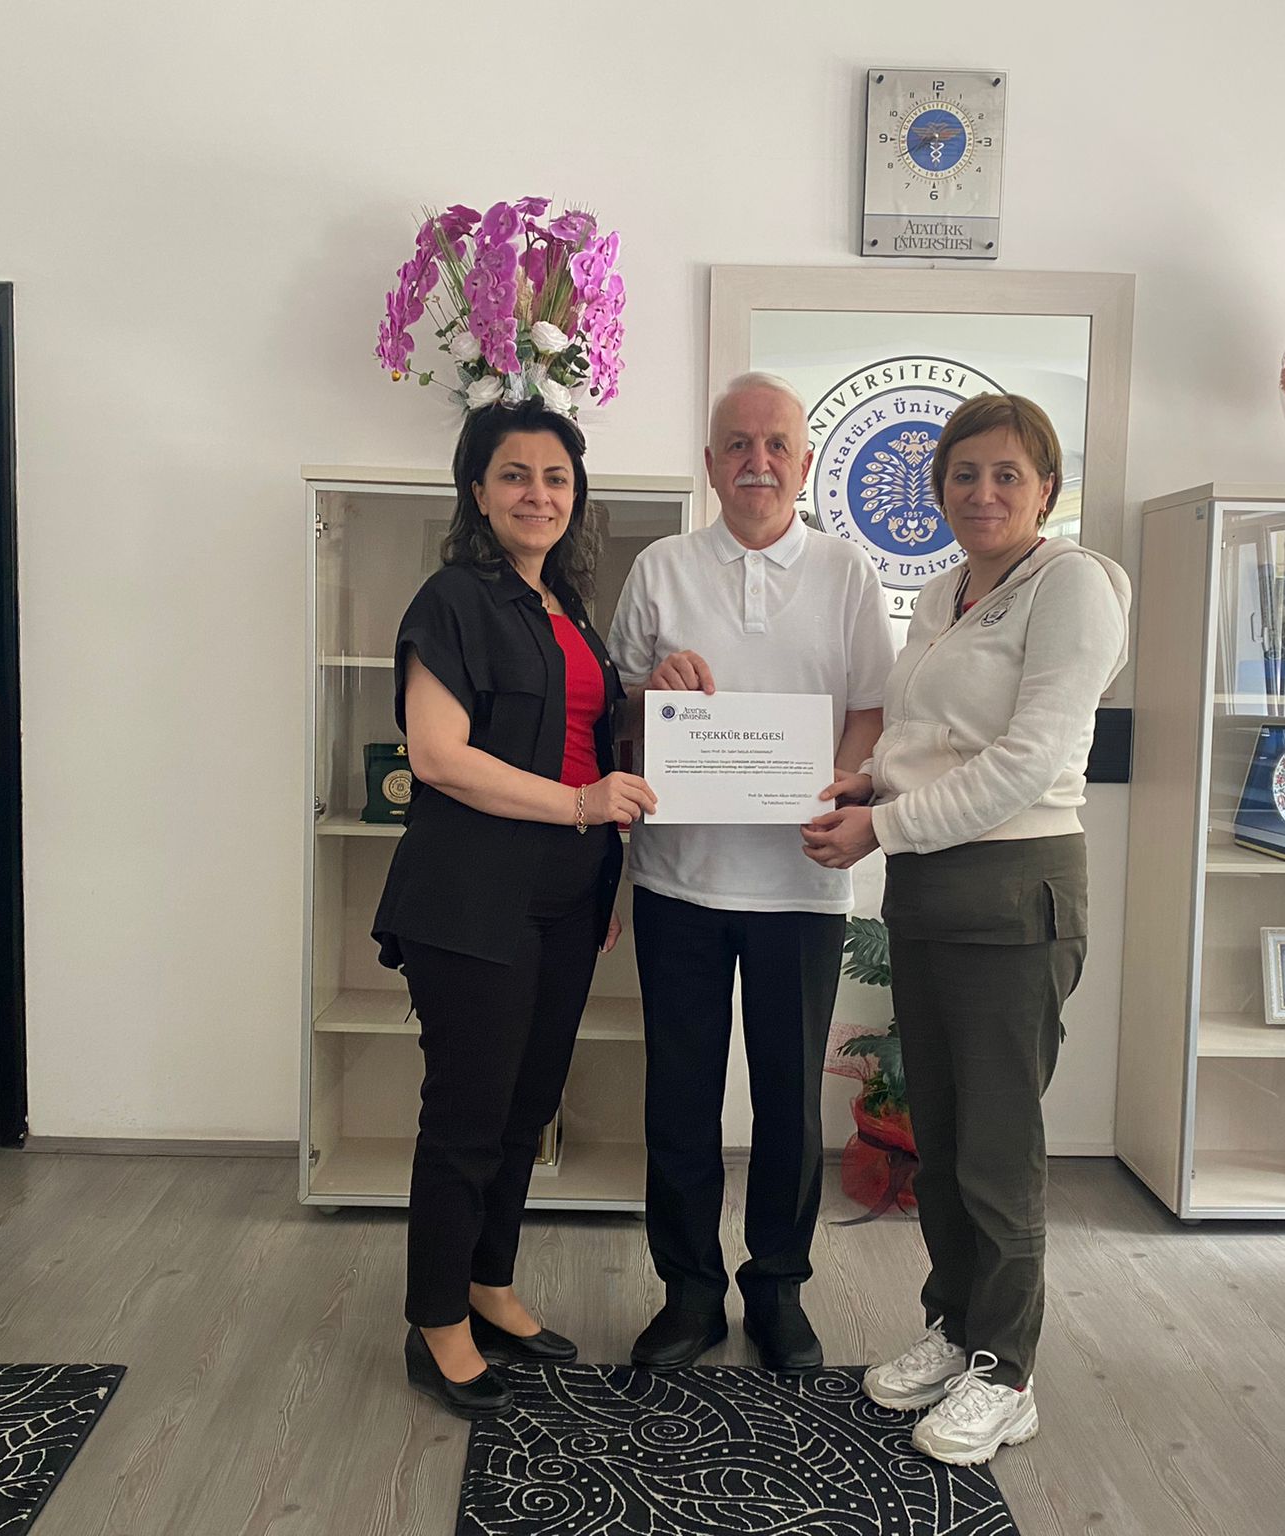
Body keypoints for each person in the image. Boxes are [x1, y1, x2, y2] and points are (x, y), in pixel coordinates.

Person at [802, 391, 1130, 1464]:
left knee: (996, 1146)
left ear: (1046, 489)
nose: (981, 492)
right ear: (938, 488)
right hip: (933, 890)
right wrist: (871, 780)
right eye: (962, 474)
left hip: (1013, 890)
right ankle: (955, 1328)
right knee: (938, 1139)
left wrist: (883, 826)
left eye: (1006, 474)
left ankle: (1008, 1371)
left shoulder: (1071, 585)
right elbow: (931, 732)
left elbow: (1029, 759)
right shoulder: (948, 590)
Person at [371, 398, 657, 1419]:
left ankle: (489, 1283)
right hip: (471, 897)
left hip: (566, 897)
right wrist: (582, 806)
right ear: (478, 492)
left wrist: (661, 695)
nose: (539, 494)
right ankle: (435, 1320)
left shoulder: (567, 608)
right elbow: (437, 757)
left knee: (527, 1107)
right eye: (516, 475)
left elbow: (586, 736)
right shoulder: (451, 600)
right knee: (467, 1114)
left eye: (556, 478)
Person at [609, 371, 894, 1372]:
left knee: (787, 1105)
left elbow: (870, 709)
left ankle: (777, 1289)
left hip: (801, 886)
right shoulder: (660, 568)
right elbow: (617, 711)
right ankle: (687, 1294)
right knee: (679, 1101)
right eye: (737, 444)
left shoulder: (848, 574)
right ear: (709, 462)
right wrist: (653, 688)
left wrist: (840, 785)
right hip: (678, 882)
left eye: (776, 445)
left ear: (804, 462)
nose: (756, 462)